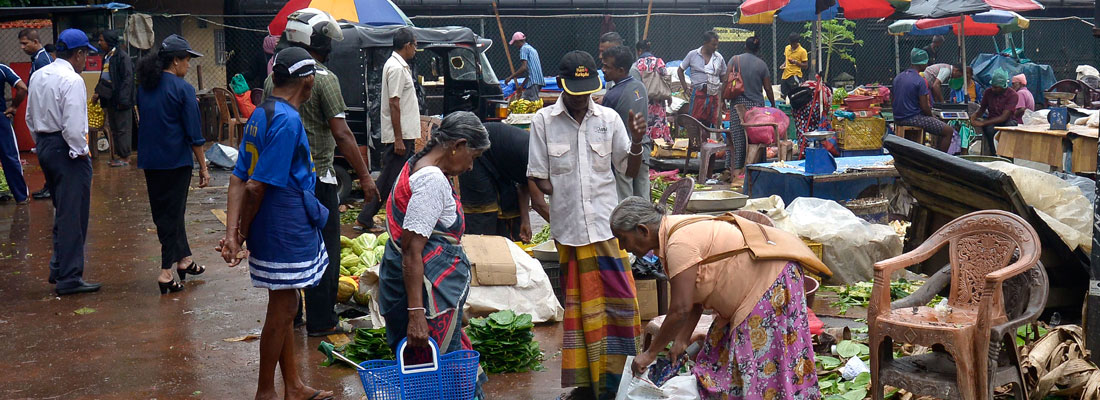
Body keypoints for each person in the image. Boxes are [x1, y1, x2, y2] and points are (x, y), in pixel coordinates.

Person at [610, 197, 822, 399]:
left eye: (623, 239)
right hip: (755, 291)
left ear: (642, 230)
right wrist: (682, 340)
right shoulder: (673, 232)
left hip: (770, 285)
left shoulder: (678, 244)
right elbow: (694, 297)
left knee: (762, 364)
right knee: (718, 356)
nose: (622, 247)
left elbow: (680, 309)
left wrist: (650, 353)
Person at [528, 50, 647, 400]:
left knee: (621, 307)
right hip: (570, 236)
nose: (582, 97)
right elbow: (538, 177)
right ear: (562, 86)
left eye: (588, 90)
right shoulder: (543, 121)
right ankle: (587, 385)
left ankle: (620, 383)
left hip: (608, 233)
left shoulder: (609, 119)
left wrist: (638, 142)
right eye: (575, 90)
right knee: (580, 317)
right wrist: (555, 192)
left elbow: (629, 169)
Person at [219, 47, 335, 400]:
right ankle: (266, 391)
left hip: (276, 221)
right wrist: (240, 235)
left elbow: (238, 178)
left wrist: (232, 233)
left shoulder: (261, 113)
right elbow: (256, 186)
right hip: (284, 222)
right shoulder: (287, 120)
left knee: (286, 305)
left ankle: (294, 386)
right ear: (308, 81)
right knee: (283, 308)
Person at [265, 7, 378, 336]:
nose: (330, 46)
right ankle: (322, 320)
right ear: (314, 40)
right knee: (325, 250)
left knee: (294, 248)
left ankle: (293, 314)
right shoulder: (324, 78)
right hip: (318, 179)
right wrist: (366, 177)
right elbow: (342, 133)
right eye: (326, 40)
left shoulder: (274, 77)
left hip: (284, 180)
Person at [376, 111, 491, 397]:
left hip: (423, 293)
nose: (470, 167)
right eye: (473, 157)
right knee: (436, 376)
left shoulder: (417, 165)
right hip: (423, 299)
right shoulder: (431, 181)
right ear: (458, 145)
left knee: (432, 372)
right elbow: (412, 252)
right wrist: (417, 315)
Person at [26, 28, 100, 296]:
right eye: (85, 55)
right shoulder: (73, 80)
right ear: (78, 54)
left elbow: (30, 118)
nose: (85, 60)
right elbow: (73, 125)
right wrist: (81, 152)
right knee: (74, 214)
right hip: (67, 148)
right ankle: (69, 277)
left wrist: (42, 143)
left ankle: (59, 266)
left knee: (62, 209)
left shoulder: (38, 75)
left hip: (45, 144)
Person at [135, 34, 210, 294]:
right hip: (176, 162)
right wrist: (203, 166)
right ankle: (166, 271)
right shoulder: (184, 89)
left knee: (164, 214)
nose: (188, 66)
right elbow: (194, 133)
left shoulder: (144, 87)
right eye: (187, 60)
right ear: (176, 61)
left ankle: (184, 259)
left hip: (151, 160)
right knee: (173, 214)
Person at [357, 27, 419, 233]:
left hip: (405, 134)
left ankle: (398, 216)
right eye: (415, 45)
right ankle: (366, 216)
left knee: (401, 178)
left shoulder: (398, 65)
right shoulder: (396, 68)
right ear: (407, 45)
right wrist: (398, 139)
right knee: (388, 179)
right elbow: (394, 102)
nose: (416, 49)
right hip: (400, 136)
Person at [458, 122, 549, 241]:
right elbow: (538, 204)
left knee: (510, 210)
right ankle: (482, 254)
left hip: (502, 164)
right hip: (478, 155)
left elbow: (524, 185)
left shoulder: (543, 161)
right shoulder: (538, 157)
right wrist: (564, 231)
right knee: (484, 213)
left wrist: (525, 221)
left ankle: (506, 252)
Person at [601, 45, 650, 201]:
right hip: (643, 150)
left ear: (621, 70)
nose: (602, 69)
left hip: (623, 154)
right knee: (643, 197)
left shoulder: (612, 96)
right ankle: (646, 224)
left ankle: (628, 226)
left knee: (625, 199)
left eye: (607, 67)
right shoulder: (640, 86)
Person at [726, 36, 776, 179]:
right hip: (756, 109)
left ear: (745, 46)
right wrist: (772, 105)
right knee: (757, 139)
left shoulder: (734, 60)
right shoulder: (762, 65)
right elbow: (768, 88)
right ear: (758, 49)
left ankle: (734, 169)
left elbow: (726, 80)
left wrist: (723, 100)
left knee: (737, 137)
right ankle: (757, 168)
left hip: (737, 105)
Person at [892, 48, 954, 152]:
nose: (927, 65)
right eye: (926, 63)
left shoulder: (898, 77)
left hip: (897, 117)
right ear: (921, 64)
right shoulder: (920, 80)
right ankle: (941, 159)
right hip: (912, 118)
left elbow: (893, 98)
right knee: (948, 131)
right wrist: (932, 116)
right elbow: (925, 107)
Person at [19, 28, 54, 200]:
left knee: (47, 153)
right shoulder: (37, 60)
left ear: (35, 42)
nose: (22, 47)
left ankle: (51, 186)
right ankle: (49, 185)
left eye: (25, 43)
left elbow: (47, 89)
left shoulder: (43, 60)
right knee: (42, 151)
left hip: (44, 113)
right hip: (38, 111)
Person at [93, 29, 136, 167]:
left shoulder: (122, 57)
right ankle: (119, 155)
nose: (99, 43)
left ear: (109, 41)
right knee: (115, 128)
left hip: (121, 100)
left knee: (123, 128)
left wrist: (123, 100)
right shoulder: (107, 56)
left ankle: (125, 157)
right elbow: (105, 77)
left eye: (102, 40)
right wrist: (98, 93)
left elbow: (127, 80)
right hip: (110, 98)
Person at [679, 31, 726, 127]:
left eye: (717, 45)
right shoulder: (692, 55)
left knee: (709, 123)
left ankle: (707, 141)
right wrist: (685, 88)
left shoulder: (719, 58)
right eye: (713, 44)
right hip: (697, 94)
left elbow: (723, 77)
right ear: (705, 43)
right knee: (694, 122)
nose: (715, 47)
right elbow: (680, 71)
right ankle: (695, 141)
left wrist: (723, 98)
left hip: (713, 95)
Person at [971, 69, 1018, 156]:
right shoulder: (988, 92)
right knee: (989, 130)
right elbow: (982, 108)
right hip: (992, 119)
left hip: (1008, 120)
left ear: (1003, 86)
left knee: (1008, 129)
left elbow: (1004, 117)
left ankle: (1007, 155)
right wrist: (975, 116)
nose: (993, 89)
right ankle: (993, 153)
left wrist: (983, 123)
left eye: (996, 87)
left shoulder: (1013, 95)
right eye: (992, 86)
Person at [0, 63, 29, 204]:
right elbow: (22, 88)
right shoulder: (2, 69)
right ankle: (21, 196)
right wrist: (13, 107)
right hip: (1, 120)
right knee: (10, 157)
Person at [633, 40, 671, 142]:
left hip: (644, 99)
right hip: (658, 99)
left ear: (639, 51)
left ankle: (647, 143)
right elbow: (665, 76)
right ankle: (660, 143)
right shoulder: (658, 61)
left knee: (646, 121)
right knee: (659, 120)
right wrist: (669, 96)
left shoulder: (637, 64)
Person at [504, 32, 544, 101]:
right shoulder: (531, 49)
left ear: (518, 42)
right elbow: (531, 72)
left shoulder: (523, 49)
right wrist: (522, 86)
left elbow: (523, 68)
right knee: (529, 101)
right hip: (538, 80)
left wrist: (510, 77)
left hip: (533, 81)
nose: (516, 46)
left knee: (526, 101)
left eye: (515, 43)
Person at [780, 32, 809, 100]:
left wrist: (795, 62)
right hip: (785, 75)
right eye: (791, 43)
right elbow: (786, 59)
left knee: (796, 96)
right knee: (782, 96)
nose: (792, 45)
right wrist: (783, 65)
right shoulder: (787, 48)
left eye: (793, 44)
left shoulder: (802, 51)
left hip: (795, 75)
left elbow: (805, 65)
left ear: (797, 42)